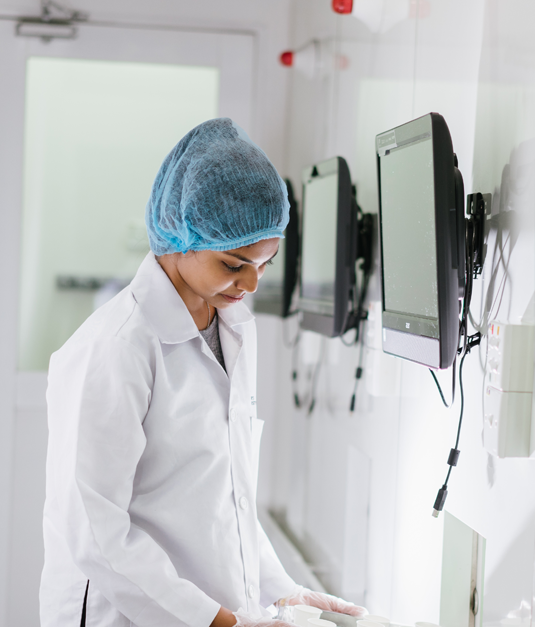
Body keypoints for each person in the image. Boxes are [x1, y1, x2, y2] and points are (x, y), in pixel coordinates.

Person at [40, 118, 364, 627]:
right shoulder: (116, 346)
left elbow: (227, 497)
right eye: (235, 265)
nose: (252, 284)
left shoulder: (233, 327)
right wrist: (221, 622)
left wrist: (282, 592)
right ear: (178, 239)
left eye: (267, 262)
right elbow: (96, 534)